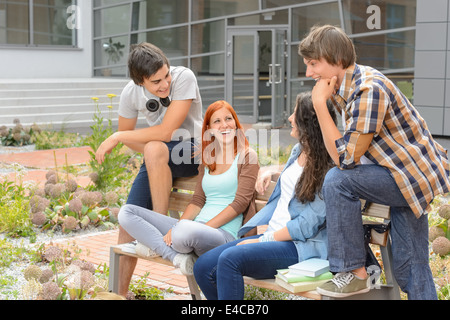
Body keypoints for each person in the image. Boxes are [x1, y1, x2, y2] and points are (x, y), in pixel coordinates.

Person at [299, 25, 450, 299]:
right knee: (412, 268)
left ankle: (355, 272)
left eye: (313, 64)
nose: (309, 73)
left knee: (337, 181)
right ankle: (360, 270)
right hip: (397, 174)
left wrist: (319, 105)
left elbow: (344, 159)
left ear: (336, 59)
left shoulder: (368, 90)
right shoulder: (348, 86)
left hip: (409, 177)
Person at [193, 92, 337, 300]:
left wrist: (263, 240)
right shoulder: (299, 150)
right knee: (203, 267)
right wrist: (272, 171)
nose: (289, 119)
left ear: (308, 124)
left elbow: (306, 226)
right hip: (272, 236)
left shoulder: (329, 169)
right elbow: (295, 175)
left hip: (298, 245)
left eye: (294, 114)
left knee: (229, 260)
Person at [95, 43, 203, 295]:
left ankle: (159, 232)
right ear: (139, 81)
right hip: (158, 157)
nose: (165, 84)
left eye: (166, 75)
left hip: (193, 151)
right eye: (156, 82)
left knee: (154, 146)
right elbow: (134, 142)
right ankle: (118, 294)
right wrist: (127, 138)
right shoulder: (130, 93)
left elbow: (166, 132)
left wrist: (119, 136)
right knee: (126, 222)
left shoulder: (184, 77)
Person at [118, 100, 260, 276]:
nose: (224, 125)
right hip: (195, 229)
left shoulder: (247, 156)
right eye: (217, 121)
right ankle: (177, 257)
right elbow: (198, 201)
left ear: (236, 123)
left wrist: (199, 227)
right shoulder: (208, 157)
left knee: (183, 233)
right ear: (209, 128)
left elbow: (240, 203)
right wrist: (177, 225)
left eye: (228, 119)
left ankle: (157, 245)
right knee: (127, 212)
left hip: (223, 234)